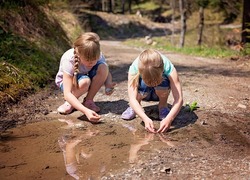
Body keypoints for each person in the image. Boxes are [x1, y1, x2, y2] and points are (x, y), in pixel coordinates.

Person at [55, 32, 115, 122]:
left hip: (85, 77)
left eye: (94, 60)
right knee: (85, 82)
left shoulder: (98, 55)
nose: (91, 63)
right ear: (78, 54)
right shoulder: (69, 59)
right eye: (88, 60)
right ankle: (70, 102)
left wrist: (108, 83)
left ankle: (88, 101)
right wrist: (85, 111)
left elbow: (106, 72)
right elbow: (67, 93)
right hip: (67, 83)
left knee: (103, 67)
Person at [121, 49, 183, 133]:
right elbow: (132, 98)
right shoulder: (135, 68)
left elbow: (178, 99)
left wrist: (169, 119)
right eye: (149, 82)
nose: (153, 85)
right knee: (139, 84)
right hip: (143, 93)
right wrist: (145, 118)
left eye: (156, 81)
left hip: (160, 93)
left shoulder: (168, 67)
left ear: (162, 71)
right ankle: (135, 108)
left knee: (164, 82)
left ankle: (163, 106)